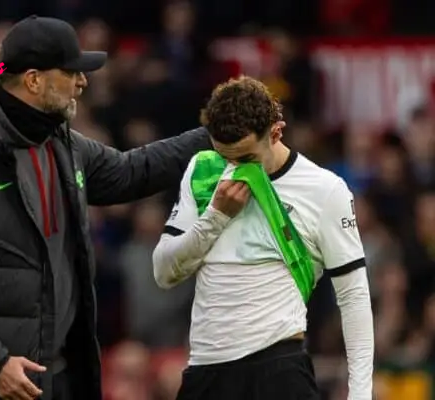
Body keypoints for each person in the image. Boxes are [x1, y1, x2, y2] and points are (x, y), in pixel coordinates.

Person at [0, 15, 211, 400]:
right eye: (71, 73)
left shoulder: (60, 144)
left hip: (48, 379)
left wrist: (214, 134)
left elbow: (132, 171)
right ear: (34, 80)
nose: (83, 82)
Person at [152, 76, 374, 400]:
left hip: (278, 371)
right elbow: (163, 272)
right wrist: (214, 218)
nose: (234, 168)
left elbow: (353, 296)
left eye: (245, 159)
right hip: (206, 371)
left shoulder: (325, 190)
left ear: (275, 132)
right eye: (224, 156)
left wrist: (361, 395)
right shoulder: (203, 172)